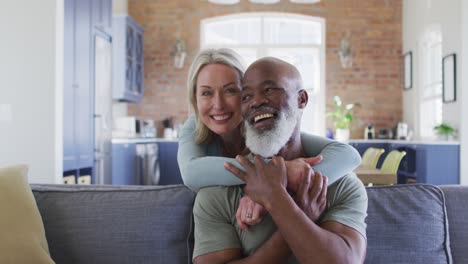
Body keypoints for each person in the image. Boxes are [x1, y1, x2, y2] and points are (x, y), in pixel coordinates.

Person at [192, 57, 367, 263]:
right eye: (246, 96)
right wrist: (299, 213)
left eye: (269, 90)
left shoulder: (341, 183)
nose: (256, 102)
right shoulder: (217, 193)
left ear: (301, 99)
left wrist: (275, 199)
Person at [177, 48, 361, 191]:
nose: (218, 105)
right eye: (206, 93)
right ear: (195, 99)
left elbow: (348, 155)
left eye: (230, 90)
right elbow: (191, 173)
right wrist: (279, 172)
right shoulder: (194, 127)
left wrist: (290, 181)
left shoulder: (263, 128)